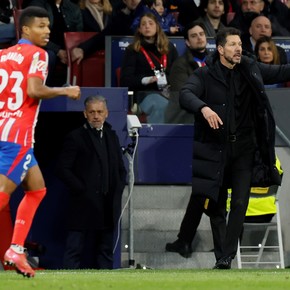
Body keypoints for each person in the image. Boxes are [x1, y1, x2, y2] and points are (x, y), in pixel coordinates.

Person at [179, 27, 290, 269]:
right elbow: (185, 94)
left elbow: (282, 71)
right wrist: (203, 108)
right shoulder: (205, 75)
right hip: (216, 149)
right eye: (232, 44)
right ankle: (223, 258)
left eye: (240, 44)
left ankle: (227, 255)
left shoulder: (251, 69)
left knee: (240, 203)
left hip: (245, 148)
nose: (238, 48)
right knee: (217, 207)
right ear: (220, 49)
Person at [0, 6, 81, 278]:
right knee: (2, 198)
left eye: (48, 26)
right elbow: (34, 89)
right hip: (17, 137)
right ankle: (15, 249)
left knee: (37, 190)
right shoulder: (38, 54)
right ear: (25, 29)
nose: (47, 31)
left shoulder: (2, 55)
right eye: (41, 26)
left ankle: (16, 249)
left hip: (3, 129)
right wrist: (65, 90)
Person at [55, 95, 126, 269]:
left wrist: (118, 187)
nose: (96, 116)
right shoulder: (75, 137)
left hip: (108, 202)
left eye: (100, 112)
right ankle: (67, 283)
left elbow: (119, 166)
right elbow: (62, 168)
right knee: (74, 248)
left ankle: (106, 284)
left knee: (105, 249)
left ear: (106, 113)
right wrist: (80, 188)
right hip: (83, 202)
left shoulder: (111, 135)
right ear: (85, 114)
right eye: (92, 112)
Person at [120, 12, 178, 123]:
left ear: (157, 27)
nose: (147, 26)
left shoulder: (169, 48)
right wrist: (146, 80)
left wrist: (168, 81)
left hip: (169, 92)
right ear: (139, 29)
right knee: (162, 105)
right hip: (144, 94)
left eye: (151, 23)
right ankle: (159, 139)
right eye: (143, 24)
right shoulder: (133, 50)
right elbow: (125, 80)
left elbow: (177, 74)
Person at [25, 0, 83, 85]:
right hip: (45, 46)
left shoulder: (73, 7)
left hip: (68, 49)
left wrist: (72, 50)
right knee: (49, 55)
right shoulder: (37, 5)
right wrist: (58, 51)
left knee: (80, 54)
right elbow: (36, 35)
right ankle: (43, 91)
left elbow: (79, 34)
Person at [71, 0, 147, 64]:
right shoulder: (122, 18)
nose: (133, 0)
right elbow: (103, 36)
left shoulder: (151, 14)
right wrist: (83, 49)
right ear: (124, 1)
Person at [165, 21, 209, 124]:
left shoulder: (215, 62)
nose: (199, 38)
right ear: (188, 42)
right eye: (194, 36)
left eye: (201, 34)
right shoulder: (180, 65)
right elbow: (183, 95)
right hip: (188, 115)